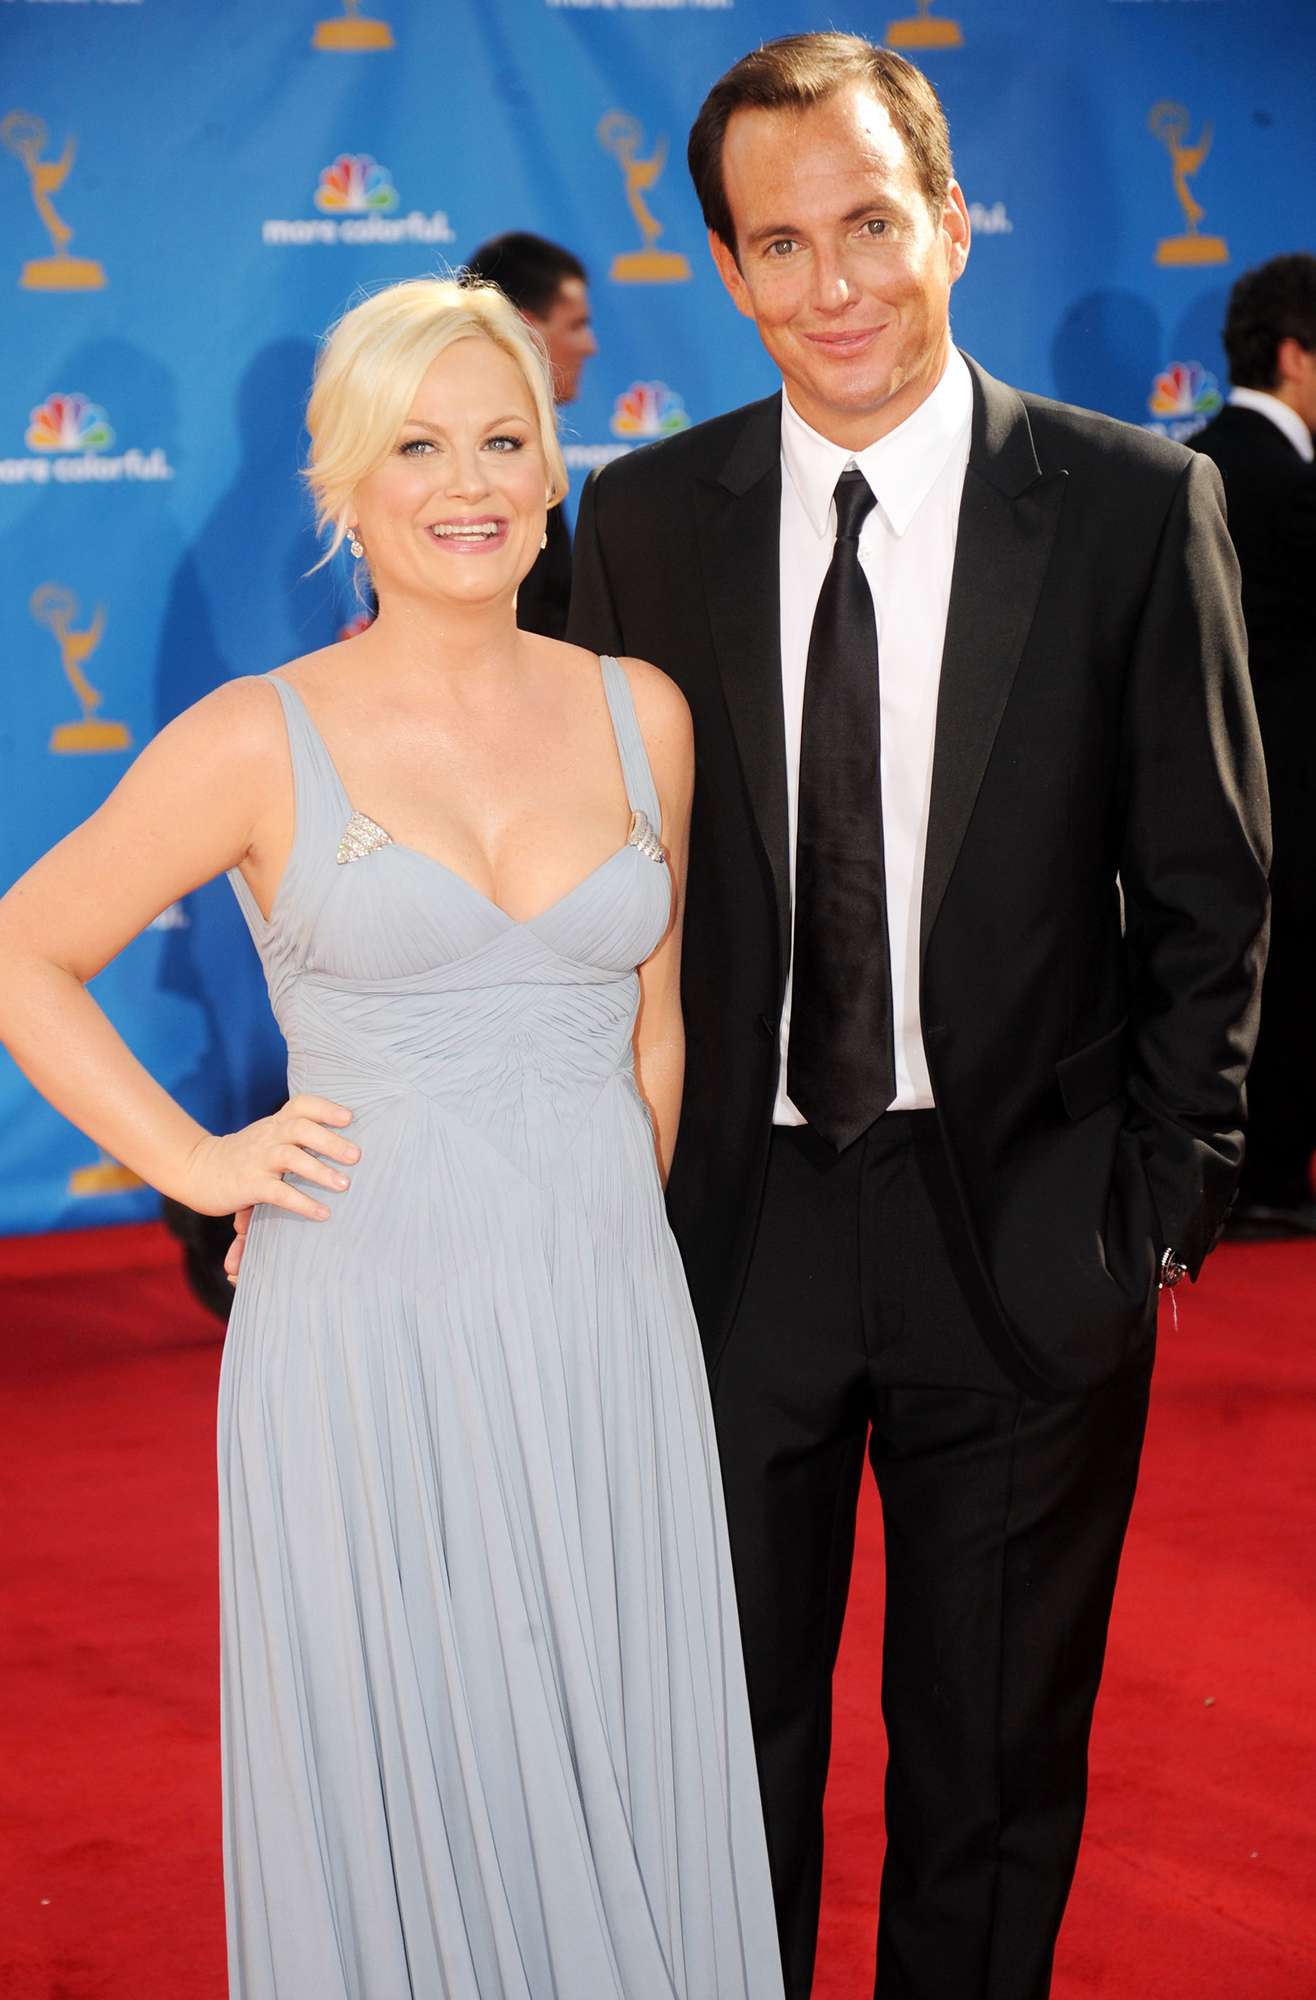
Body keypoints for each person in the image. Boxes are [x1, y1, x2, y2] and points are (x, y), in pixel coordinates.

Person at [565, 33, 1270, 2000]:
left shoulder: (1133, 507)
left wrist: (1159, 1197)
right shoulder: (640, 518)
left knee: (985, 1773)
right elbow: (577, 884)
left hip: (1030, 1225)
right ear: (722, 270)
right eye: (777, 245)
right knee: (719, 1756)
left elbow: (1214, 886)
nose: (835, 284)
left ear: (951, 221)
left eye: (871, 222)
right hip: (729, 1238)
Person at [0, 277, 784, 2000]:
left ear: (556, 465)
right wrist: (198, 1167)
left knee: (611, 1747)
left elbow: (655, 1037)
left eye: (505, 438)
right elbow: (23, 953)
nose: (469, 481)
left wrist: (598, 1258)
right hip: (367, 1332)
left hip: (602, 1323)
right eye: (417, 445)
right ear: (344, 484)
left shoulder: (641, 712)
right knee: (417, 1743)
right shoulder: (256, 737)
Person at [1192, 253, 1316, 1236]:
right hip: (1292, 794)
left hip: (1187, 800)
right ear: (1292, 356)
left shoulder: (1178, 464)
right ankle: (1270, 1175)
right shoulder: (1288, 485)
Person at [464, 230, 598, 639]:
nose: (589, 345)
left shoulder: (527, 446)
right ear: (524, 328)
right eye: (576, 325)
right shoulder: (487, 465)